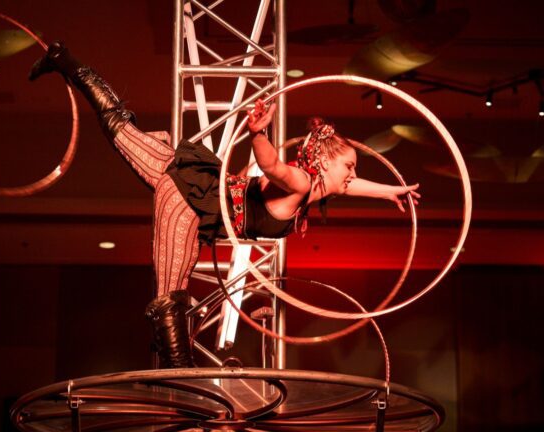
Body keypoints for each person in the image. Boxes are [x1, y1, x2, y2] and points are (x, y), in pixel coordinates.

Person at [30, 42, 420, 368]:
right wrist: (258, 134)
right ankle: (180, 376)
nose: (351, 175)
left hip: (200, 199)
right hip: (187, 199)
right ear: (323, 163)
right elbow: (270, 165)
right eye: (348, 165)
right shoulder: (300, 183)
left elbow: (351, 187)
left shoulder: (315, 190)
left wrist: (390, 192)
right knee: (170, 292)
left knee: (121, 127)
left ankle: (64, 58)